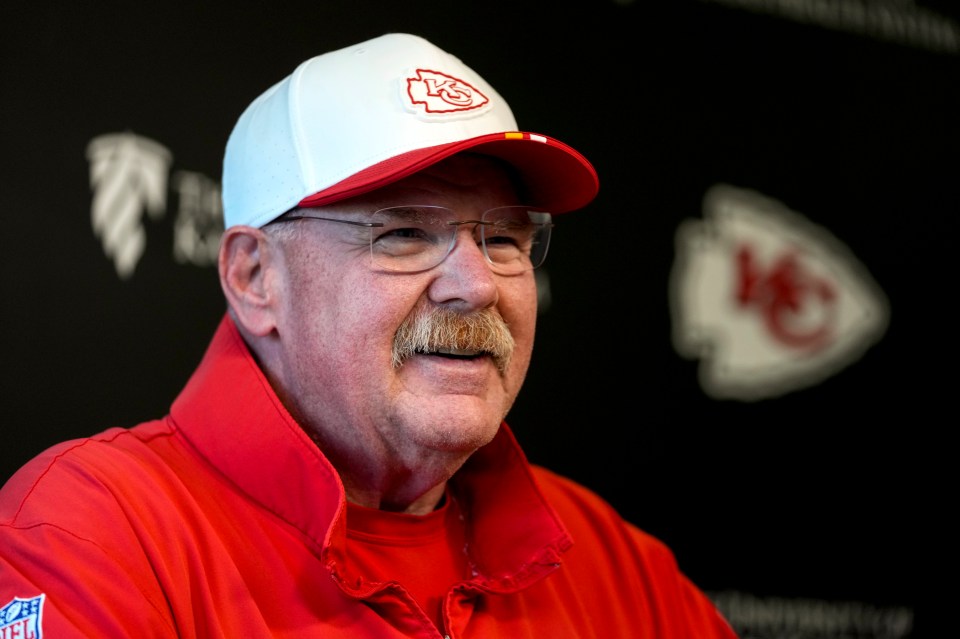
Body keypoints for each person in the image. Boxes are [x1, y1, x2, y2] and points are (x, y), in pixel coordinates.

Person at [0, 33, 737, 638]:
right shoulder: (94, 534)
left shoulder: (616, 564)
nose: (478, 285)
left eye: (504, 240)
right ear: (256, 278)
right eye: (405, 233)